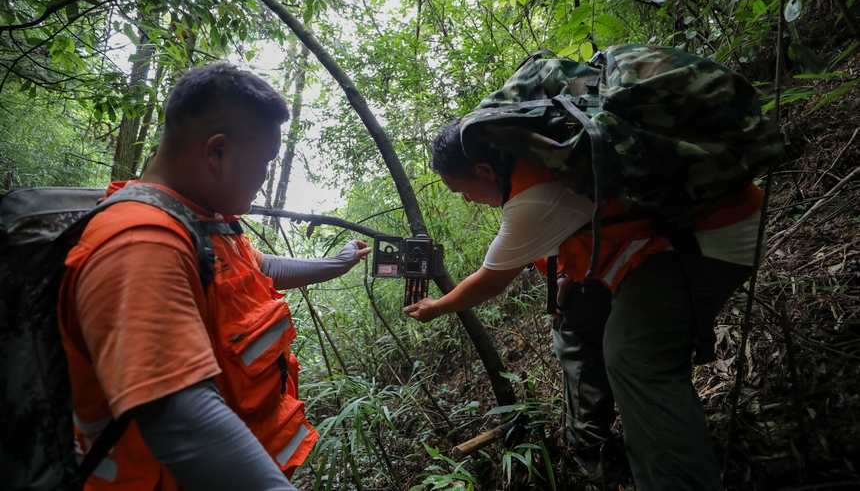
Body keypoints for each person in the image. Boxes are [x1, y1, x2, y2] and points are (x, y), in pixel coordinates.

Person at [404, 118, 764, 491]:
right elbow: (591, 213)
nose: (466, 199)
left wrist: (435, 307)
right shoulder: (545, 156)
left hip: (713, 234)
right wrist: (567, 274)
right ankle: (592, 444)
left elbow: (491, 280)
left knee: (633, 359)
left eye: (462, 190)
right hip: (670, 232)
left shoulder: (532, 196)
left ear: (485, 170)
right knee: (577, 313)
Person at [58, 63, 370, 491]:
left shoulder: (203, 222)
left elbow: (260, 269)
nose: (264, 179)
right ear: (217, 151)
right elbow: (178, 416)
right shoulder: (141, 243)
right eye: (265, 162)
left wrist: (338, 262)